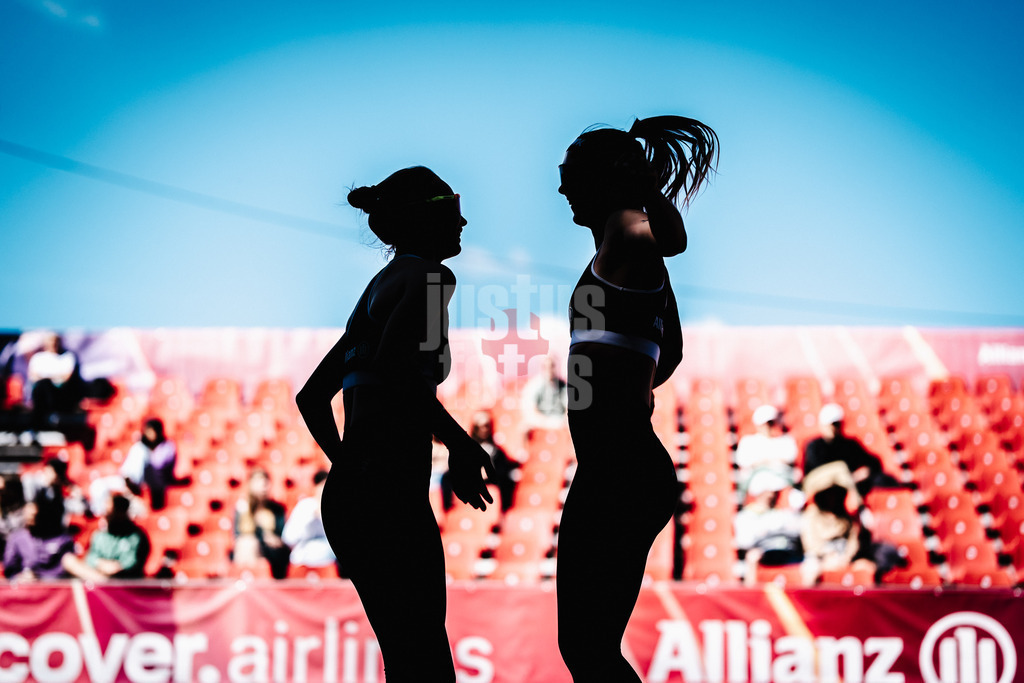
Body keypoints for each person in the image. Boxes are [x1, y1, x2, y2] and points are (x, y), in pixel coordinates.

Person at [296, 166, 495, 683]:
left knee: (407, 657)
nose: (464, 223)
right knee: (426, 660)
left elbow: (312, 397)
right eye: (453, 213)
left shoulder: (376, 291)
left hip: (354, 496)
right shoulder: (431, 278)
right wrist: (461, 444)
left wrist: (350, 465)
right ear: (425, 219)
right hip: (390, 494)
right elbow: (401, 375)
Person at [556, 116, 717, 681]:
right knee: (587, 646)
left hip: (617, 464)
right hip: (619, 462)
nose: (560, 188)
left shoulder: (627, 228)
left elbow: (672, 238)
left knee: (585, 647)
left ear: (602, 180)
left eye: (567, 174)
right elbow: (667, 353)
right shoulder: (619, 254)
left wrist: (644, 185)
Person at [803, 403, 896, 498]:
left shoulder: (849, 445)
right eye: (831, 424)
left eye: (836, 424)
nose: (833, 428)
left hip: (852, 486)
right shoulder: (814, 447)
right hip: (827, 492)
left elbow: (873, 462)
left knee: (883, 480)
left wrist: (864, 472)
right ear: (822, 425)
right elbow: (817, 474)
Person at [733, 470, 803, 586]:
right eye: (771, 491)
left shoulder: (782, 513)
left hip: (787, 552)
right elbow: (744, 542)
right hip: (763, 555)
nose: (773, 495)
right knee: (752, 557)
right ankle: (751, 597)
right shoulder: (745, 516)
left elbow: (795, 532)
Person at [62, 494, 150, 581]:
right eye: (106, 512)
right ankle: (103, 581)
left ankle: (104, 581)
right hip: (98, 576)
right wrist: (99, 563)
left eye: (111, 513)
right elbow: (90, 558)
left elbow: (131, 563)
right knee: (69, 560)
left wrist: (115, 567)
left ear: (122, 512)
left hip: (124, 582)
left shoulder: (135, 536)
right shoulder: (99, 535)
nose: (107, 516)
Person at [233, 467, 289, 579]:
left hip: (273, 553)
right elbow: (241, 534)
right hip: (252, 550)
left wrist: (273, 538)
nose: (264, 485)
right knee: (247, 544)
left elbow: (282, 535)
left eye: (266, 481)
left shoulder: (277, 509)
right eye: (259, 481)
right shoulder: (243, 508)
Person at [734, 404, 798, 501]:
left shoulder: (785, 440)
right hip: (757, 483)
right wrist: (773, 460)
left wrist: (761, 461)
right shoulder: (748, 441)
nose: (767, 426)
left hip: (781, 481)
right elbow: (743, 462)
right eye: (764, 423)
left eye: (770, 423)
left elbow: (790, 458)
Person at [3, 500, 75, 582]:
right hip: (29, 587)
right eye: (29, 511)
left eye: (36, 511)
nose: (33, 515)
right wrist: (20, 577)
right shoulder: (17, 538)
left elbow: (69, 563)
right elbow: (10, 572)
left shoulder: (59, 537)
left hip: (58, 585)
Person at [26, 332, 86, 429]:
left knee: (46, 383)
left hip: (61, 394)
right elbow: (33, 377)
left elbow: (66, 377)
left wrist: (46, 376)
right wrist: (53, 377)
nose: (53, 344)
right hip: (41, 395)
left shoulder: (68, 356)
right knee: (43, 385)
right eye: (51, 341)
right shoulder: (38, 358)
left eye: (55, 341)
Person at [281, 469, 337, 571]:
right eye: (322, 486)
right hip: (303, 561)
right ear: (316, 487)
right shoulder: (305, 506)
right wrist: (310, 517)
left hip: (329, 562)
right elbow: (288, 538)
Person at [120, 417, 178, 510]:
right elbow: (125, 468)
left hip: (157, 481)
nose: (149, 434)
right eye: (147, 431)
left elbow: (158, 465)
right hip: (134, 481)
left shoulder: (168, 446)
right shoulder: (139, 446)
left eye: (152, 431)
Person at [520, 355, 569, 432]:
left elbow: (567, 408)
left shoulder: (562, 385)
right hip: (540, 420)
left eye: (552, 366)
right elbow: (531, 410)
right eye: (545, 366)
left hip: (558, 420)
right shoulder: (534, 384)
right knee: (524, 428)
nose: (549, 369)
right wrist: (546, 421)